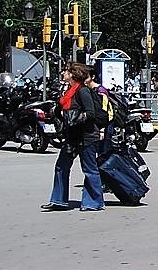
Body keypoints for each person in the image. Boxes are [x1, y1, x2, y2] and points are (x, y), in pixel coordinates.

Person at [43, 62, 105, 211]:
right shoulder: (68, 91)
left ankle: (93, 202)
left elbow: (91, 113)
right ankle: (59, 200)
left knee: (89, 169)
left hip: (87, 136)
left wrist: (74, 117)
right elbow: (62, 110)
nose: (63, 73)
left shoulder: (83, 91)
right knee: (61, 166)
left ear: (73, 74)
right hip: (72, 136)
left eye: (65, 71)